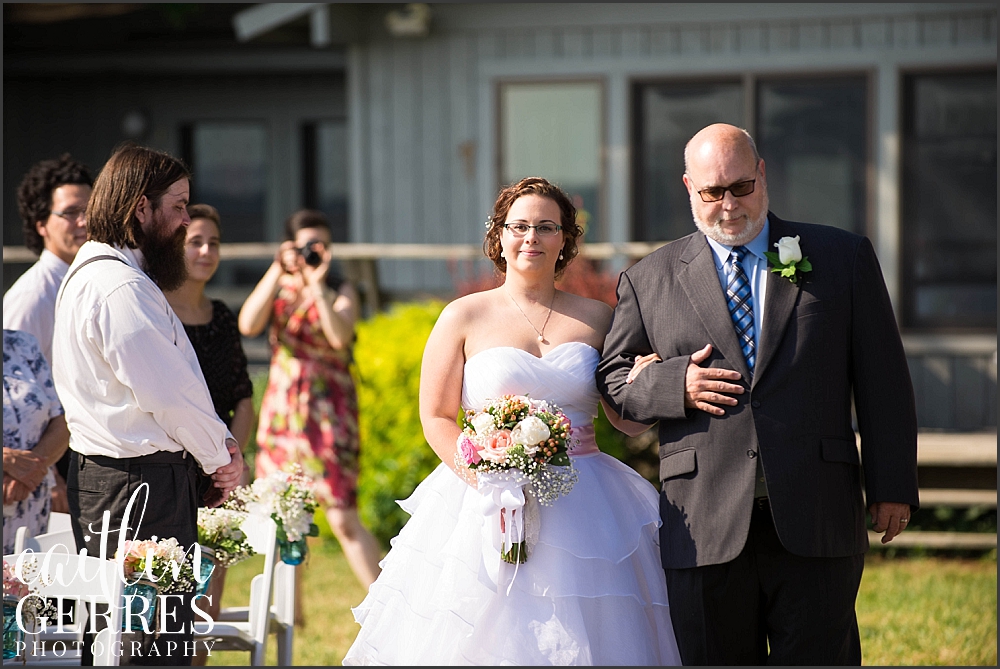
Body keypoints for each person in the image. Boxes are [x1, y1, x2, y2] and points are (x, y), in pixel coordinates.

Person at [596, 123, 919, 665]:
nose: (728, 205)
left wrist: (892, 484)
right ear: (688, 187)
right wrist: (676, 383)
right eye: (711, 192)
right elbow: (612, 379)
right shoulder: (648, 278)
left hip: (817, 512)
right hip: (703, 521)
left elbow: (883, 378)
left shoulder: (842, 257)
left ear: (763, 174)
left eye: (741, 187)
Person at [343, 177, 681, 665]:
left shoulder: (599, 319)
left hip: (587, 497)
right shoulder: (463, 316)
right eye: (519, 226)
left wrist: (647, 386)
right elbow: (436, 416)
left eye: (546, 227)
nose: (531, 238)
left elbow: (623, 421)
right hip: (483, 494)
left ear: (565, 238)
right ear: (498, 235)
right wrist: (487, 474)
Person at [52, 143, 244, 666]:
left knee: (139, 637)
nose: (186, 220)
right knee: (145, 645)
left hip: (124, 480)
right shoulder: (116, 286)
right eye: (178, 206)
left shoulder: (108, 276)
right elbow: (167, 394)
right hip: (136, 486)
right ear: (141, 207)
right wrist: (221, 457)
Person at [238, 209, 382, 591]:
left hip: (329, 413)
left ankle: (388, 603)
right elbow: (248, 324)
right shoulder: (279, 286)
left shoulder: (341, 289)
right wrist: (277, 269)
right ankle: (290, 614)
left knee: (342, 516)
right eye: (305, 246)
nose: (313, 252)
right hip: (283, 413)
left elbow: (339, 337)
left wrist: (317, 286)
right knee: (281, 513)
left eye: (321, 245)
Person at [162, 203, 255, 666]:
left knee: (207, 600)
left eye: (213, 243)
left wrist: (229, 466)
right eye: (194, 241)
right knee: (162, 602)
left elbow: (244, 397)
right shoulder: (156, 309)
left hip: (219, 473)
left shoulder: (221, 316)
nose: (204, 251)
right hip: (168, 471)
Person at [4, 153, 94, 515]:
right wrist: (51, 477)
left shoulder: (89, 279)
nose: (84, 221)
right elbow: (13, 397)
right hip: (43, 470)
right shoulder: (32, 296)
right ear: (41, 223)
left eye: (91, 209)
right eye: (71, 212)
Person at [2, 329, 70, 554]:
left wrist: (29, 470)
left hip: (30, 502)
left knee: (28, 585)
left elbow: (62, 421)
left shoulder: (23, 343)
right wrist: (6, 460)